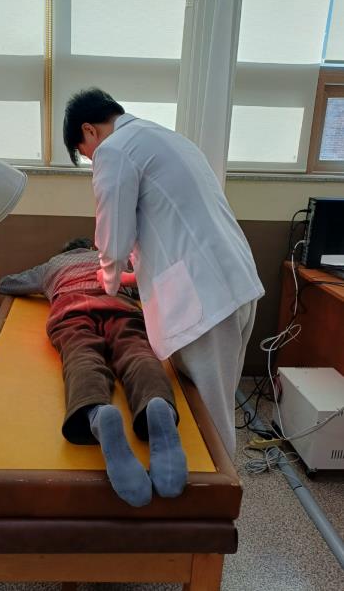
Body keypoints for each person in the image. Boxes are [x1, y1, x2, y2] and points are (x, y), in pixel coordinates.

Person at [63, 88, 265, 458]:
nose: (92, 161)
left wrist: (108, 280)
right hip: (235, 282)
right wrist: (131, 277)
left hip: (205, 299)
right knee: (211, 401)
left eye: (86, 153)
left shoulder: (114, 149)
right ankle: (209, 481)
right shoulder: (169, 139)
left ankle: (217, 489)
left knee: (210, 416)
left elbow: (113, 237)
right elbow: (168, 225)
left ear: (89, 130)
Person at [0, 238, 187, 508]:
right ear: (91, 247)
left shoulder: (52, 265)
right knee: (137, 354)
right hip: (119, 307)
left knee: (82, 359)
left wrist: (48, 281)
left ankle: (97, 412)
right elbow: (149, 278)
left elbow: (7, 284)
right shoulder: (112, 259)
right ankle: (157, 404)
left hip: (70, 310)